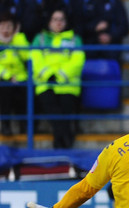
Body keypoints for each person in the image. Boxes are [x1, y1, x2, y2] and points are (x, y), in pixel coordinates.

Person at [30, 8, 85, 149]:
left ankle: (59, 142)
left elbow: (78, 60)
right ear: (49, 22)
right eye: (55, 19)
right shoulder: (40, 38)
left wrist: (60, 75)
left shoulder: (74, 38)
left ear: (66, 21)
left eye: (61, 19)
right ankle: (66, 139)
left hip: (68, 84)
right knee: (54, 112)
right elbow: (35, 58)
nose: (58, 22)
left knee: (63, 112)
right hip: (45, 83)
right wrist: (49, 75)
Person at [0, 13, 29, 135]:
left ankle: (24, 126)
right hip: (3, 77)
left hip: (20, 77)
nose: (6, 30)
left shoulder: (19, 39)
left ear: (14, 28)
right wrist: (8, 76)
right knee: (5, 91)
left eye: (9, 26)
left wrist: (17, 39)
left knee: (24, 91)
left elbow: (27, 56)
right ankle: (5, 126)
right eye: (2, 26)